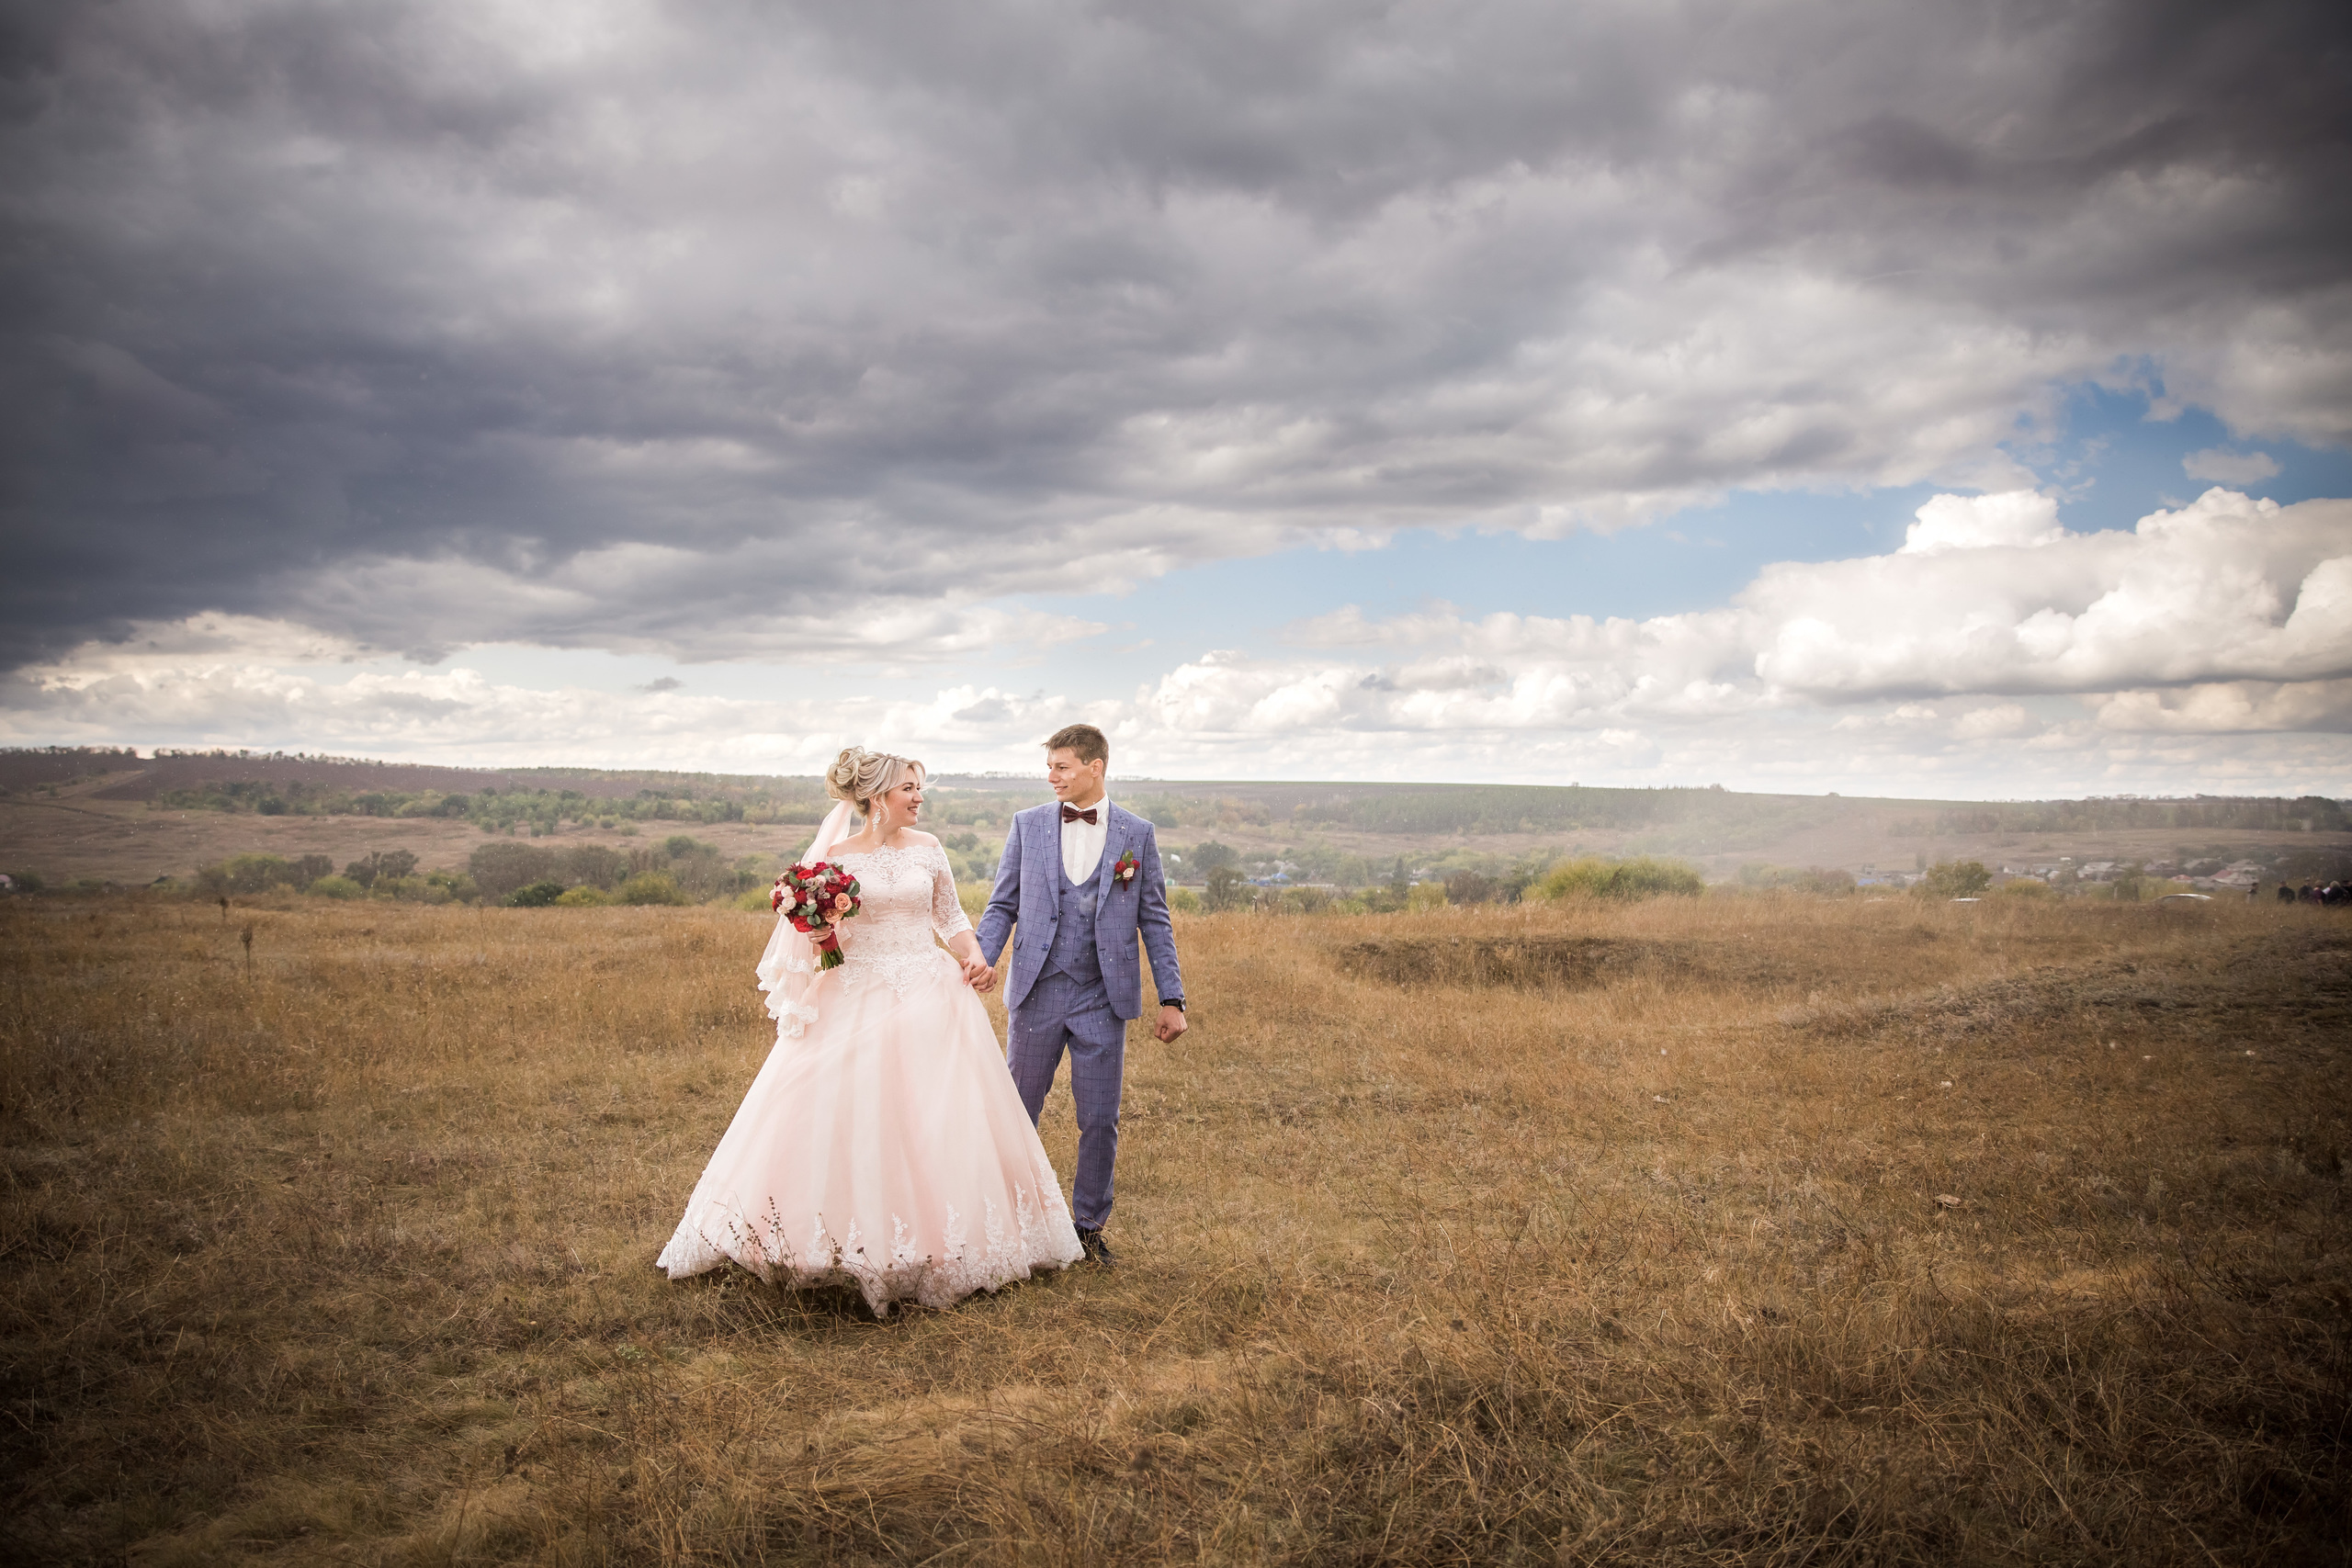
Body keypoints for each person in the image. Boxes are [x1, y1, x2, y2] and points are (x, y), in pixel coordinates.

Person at [656, 747, 1082, 1312]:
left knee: (935, 1118)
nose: (918, 797)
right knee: (846, 1114)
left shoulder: (930, 850)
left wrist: (973, 956)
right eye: (909, 787)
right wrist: (821, 932)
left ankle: (945, 1244)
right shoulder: (834, 858)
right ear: (879, 797)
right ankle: (828, 1241)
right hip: (855, 994)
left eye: (919, 788)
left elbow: (950, 916)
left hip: (931, 992)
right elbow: (826, 944)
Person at [978, 723, 1186, 1269]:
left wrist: (1173, 998)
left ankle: (1088, 1228)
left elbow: (1155, 919)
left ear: (1096, 768)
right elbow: (1003, 904)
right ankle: (1007, 1219)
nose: (1052, 777)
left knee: (1099, 1119)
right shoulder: (1028, 826)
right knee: (1017, 1108)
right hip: (1038, 990)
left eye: (1062, 766)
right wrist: (982, 958)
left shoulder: (1136, 834)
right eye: (1049, 766)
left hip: (1103, 996)